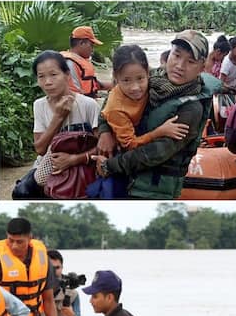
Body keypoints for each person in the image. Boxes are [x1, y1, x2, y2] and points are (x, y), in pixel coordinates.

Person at [93, 29, 222, 199]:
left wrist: (110, 166)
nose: (180, 66)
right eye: (176, 55)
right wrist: (104, 131)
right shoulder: (149, 78)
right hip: (127, 179)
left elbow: (155, 153)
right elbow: (113, 99)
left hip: (151, 190)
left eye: (190, 61)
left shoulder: (191, 108)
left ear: (202, 67)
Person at [96, 44, 190, 197]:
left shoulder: (158, 81)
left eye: (140, 78)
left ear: (148, 72)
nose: (135, 87)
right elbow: (130, 144)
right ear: (116, 77)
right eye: (126, 80)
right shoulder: (115, 107)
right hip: (126, 155)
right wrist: (160, 131)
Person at [30, 50, 100, 195]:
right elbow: (40, 149)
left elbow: (103, 146)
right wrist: (58, 117)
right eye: (41, 77)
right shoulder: (39, 105)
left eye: (54, 75)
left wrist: (74, 159)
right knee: (22, 192)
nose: (48, 82)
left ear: (67, 75)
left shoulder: (88, 105)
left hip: (83, 166)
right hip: (50, 168)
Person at [61, 26, 113, 98]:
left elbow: (94, 84)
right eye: (91, 45)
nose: (92, 50)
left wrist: (116, 84)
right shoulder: (70, 63)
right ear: (82, 43)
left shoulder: (78, 61)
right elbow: (73, 93)